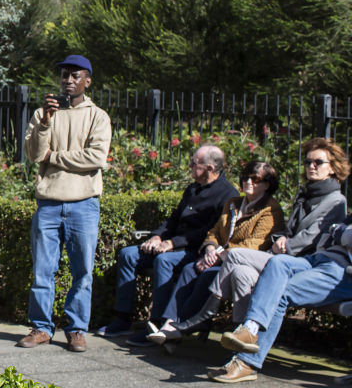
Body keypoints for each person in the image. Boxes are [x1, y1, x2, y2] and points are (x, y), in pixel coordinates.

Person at [151, 140, 347, 344]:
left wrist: (283, 244)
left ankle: (202, 317)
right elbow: (216, 231)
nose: (311, 166)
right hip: (274, 258)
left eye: (318, 162)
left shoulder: (334, 201)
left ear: (332, 167)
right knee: (229, 272)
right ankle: (238, 337)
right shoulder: (301, 194)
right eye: (307, 162)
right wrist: (210, 248)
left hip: (302, 262)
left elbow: (312, 236)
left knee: (219, 265)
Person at [95, 144, 238, 345]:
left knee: (163, 261)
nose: (189, 166)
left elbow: (210, 231)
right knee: (128, 254)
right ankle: (122, 318)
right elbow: (173, 219)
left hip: (194, 250)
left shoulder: (227, 194)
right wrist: (157, 237)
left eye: (193, 163)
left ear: (210, 168)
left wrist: (173, 243)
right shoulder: (193, 188)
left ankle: (156, 324)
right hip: (171, 244)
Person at [17, 55, 112, 353]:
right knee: (42, 270)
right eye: (64, 76)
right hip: (48, 203)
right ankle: (41, 328)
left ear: (87, 80)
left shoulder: (98, 116)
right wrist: (45, 121)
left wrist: (54, 158)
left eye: (75, 75)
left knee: (82, 271)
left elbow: (95, 158)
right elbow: (34, 154)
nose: (68, 80)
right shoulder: (42, 114)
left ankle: (76, 329)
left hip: (84, 204)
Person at [146, 160, 284, 343]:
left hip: (241, 263)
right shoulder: (233, 204)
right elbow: (215, 231)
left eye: (255, 179)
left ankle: (181, 327)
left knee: (206, 275)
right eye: (245, 177)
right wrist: (210, 248)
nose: (248, 182)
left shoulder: (270, 210)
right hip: (218, 256)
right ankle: (169, 323)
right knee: (190, 269)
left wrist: (217, 257)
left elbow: (253, 245)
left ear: (267, 184)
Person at [209, 217, 352, 383]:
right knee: (278, 263)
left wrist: (339, 231)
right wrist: (338, 232)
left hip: (342, 272)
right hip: (319, 259)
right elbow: (329, 234)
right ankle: (250, 329)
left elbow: (342, 233)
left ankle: (248, 362)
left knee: (281, 292)